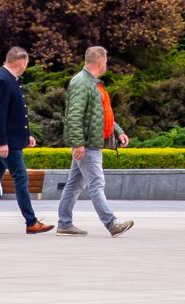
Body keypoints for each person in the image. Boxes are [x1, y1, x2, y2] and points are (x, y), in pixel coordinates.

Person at [55, 45, 134, 237]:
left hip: (89, 142)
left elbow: (100, 115)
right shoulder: (82, 83)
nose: (106, 65)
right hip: (88, 145)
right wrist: (78, 143)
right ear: (100, 62)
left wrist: (118, 131)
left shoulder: (91, 83)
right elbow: (74, 116)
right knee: (97, 184)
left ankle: (64, 224)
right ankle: (111, 223)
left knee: (74, 185)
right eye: (106, 62)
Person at [0, 47, 50, 234]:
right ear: (22, 62)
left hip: (12, 141)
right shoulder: (4, 81)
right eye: (26, 63)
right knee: (21, 178)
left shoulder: (9, 80)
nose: (26, 66)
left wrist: (26, 135)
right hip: (8, 144)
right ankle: (31, 222)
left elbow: (15, 114)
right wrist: (1, 142)